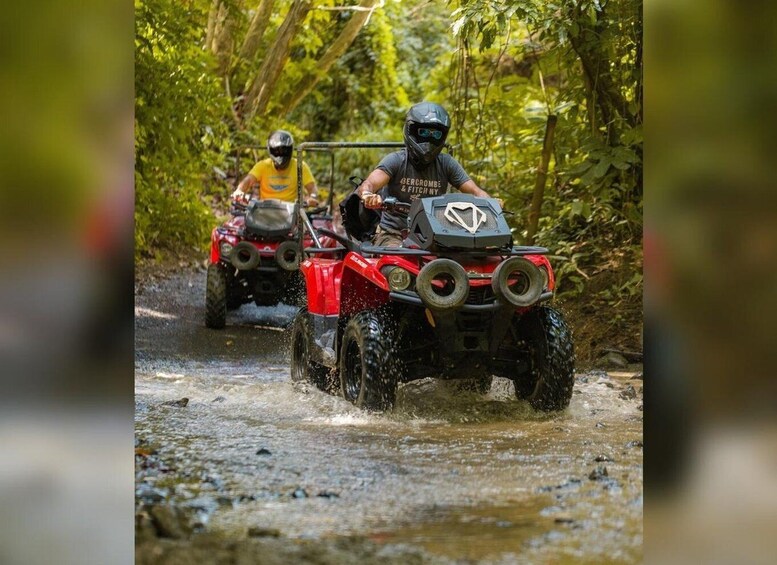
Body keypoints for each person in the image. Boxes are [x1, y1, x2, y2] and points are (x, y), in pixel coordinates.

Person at [356, 102, 493, 247]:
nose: (429, 140)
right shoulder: (396, 160)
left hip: (434, 234)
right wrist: (368, 195)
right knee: (397, 268)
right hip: (393, 234)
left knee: (465, 261)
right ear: (412, 131)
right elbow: (369, 183)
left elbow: (475, 191)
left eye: (436, 134)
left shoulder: (446, 163)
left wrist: (491, 203)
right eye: (424, 133)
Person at [231, 130, 319, 207]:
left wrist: (313, 197)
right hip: (264, 210)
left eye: (284, 150)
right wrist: (239, 191)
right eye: (277, 151)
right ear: (271, 151)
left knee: (307, 225)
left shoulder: (299, 166)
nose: (280, 154)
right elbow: (248, 180)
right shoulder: (263, 165)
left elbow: (312, 187)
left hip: (292, 212)